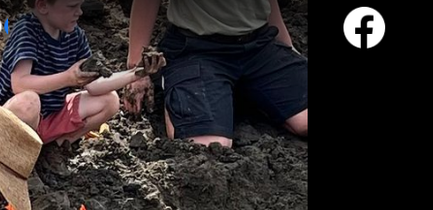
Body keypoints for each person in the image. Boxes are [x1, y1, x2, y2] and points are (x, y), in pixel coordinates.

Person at [122, 0, 307, 146]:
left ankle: (236, 93)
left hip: (259, 44)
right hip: (196, 48)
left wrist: (287, 48)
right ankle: (197, 96)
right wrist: (137, 68)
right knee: (210, 146)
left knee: (305, 122)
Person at [0, 0, 131, 145]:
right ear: (43, 6)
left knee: (110, 99)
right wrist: (67, 78)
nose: (79, 12)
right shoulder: (27, 31)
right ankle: (10, 149)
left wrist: (135, 73)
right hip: (13, 120)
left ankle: (59, 143)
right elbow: (20, 84)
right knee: (28, 102)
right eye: (72, 7)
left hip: (50, 116)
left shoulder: (75, 35)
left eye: (80, 5)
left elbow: (94, 85)